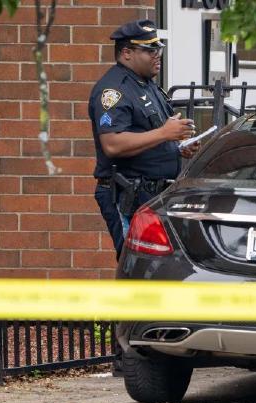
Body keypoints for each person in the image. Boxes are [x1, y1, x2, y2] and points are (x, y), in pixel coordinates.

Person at [88, 19, 200, 258]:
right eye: (150, 50)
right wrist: (164, 133)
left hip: (154, 195)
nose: (157, 55)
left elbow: (150, 136)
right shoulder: (114, 91)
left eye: (158, 49)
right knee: (138, 266)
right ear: (126, 53)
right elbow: (112, 144)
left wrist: (177, 146)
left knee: (161, 268)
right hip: (127, 196)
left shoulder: (148, 86)